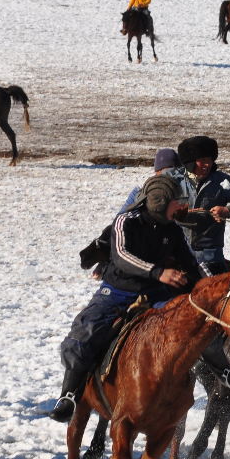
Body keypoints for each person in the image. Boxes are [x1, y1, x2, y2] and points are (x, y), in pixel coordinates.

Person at [50, 174, 201, 422]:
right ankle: (68, 395)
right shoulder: (125, 221)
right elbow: (121, 256)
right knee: (84, 332)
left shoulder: (172, 229)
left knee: (192, 324)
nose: (182, 206)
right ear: (160, 201)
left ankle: (223, 373)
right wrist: (158, 272)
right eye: (177, 201)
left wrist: (211, 286)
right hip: (118, 292)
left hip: (157, 294)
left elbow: (191, 265)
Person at [177, 135, 230, 276]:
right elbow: (156, 206)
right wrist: (178, 213)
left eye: (210, 160)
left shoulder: (222, 182)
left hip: (212, 257)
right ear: (190, 162)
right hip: (180, 255)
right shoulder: (174, 180)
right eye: (202, 161)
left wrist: (228, 210)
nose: (207, 165)